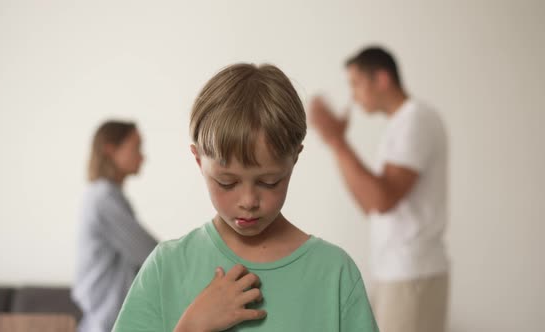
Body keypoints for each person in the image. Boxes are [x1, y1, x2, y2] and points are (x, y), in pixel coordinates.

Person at [112, 63, 378, 332]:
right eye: (227, 182)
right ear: (198, 161)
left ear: (295, 158)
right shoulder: (166, 267)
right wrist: (191, 327)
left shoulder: (334, 274)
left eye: (269, 181)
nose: (248, 201)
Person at [309, 46, 450, 332]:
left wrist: (337, 141)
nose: (353, 95)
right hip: (400, 273)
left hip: (411, 273)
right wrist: (336, 142)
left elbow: (381, 199)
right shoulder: (402, 124)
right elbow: (369, 203)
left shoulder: (416, 120)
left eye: (356, 84)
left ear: (382, 79)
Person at [72, 120, 158, 332]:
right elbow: (151, 254)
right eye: (136, 147)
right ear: (110, 150)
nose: (143, 157)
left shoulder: (107, 196)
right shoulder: (103, 198)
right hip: (105, 323)